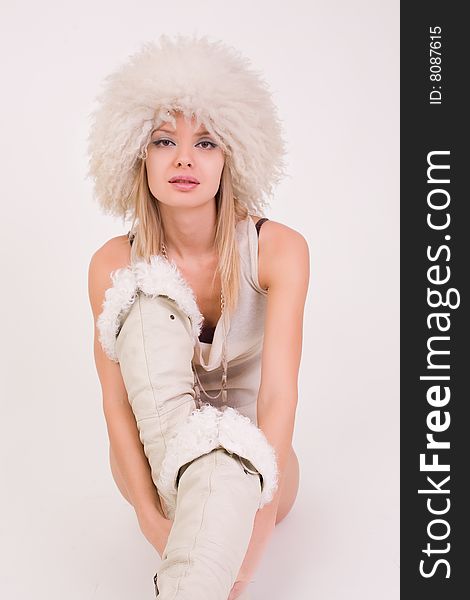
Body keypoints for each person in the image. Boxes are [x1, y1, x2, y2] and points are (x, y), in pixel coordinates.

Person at [87, 34, 309, 600]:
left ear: (231, 155)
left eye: (206, 142)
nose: (184, 158)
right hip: (161, 473)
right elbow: (116, 405)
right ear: (139, 153)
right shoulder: (114, 264)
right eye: (165, 141)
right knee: (139, 295)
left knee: (227, 464)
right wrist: (148, 518)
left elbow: (279, 398)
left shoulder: (279, 249)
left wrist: (252, 544)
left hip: (259, 467)